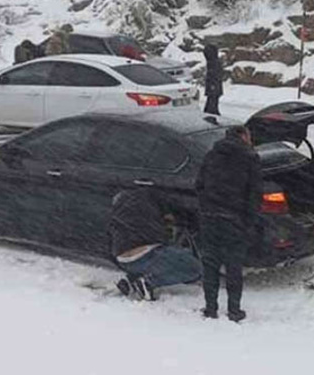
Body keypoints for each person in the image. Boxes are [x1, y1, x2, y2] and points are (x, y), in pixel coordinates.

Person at [196, 124, 262, 322]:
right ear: (243, 137)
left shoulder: (211, 155)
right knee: (234, 267)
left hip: (210, 218)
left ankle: (210, 308)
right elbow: (254, 194)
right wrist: (249, 220)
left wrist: (207, 208)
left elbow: (199, 185)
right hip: (234, 220)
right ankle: (234, 310)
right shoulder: (250, 158)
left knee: (210, 264)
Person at [109, 188, 202, 300]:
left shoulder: (120, 210)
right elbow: (172, 225)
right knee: (194, 268)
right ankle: (147, 283)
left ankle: (131, 282)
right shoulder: (157, 201)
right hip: (147, 254)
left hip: (123, 259)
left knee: (152, 260)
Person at [203, 43, 223, 116]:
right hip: (214, 85)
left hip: (213, 85)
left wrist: (212, 85)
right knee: (213, 99)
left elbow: (214, 75)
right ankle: (212, 111)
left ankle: (211, 112)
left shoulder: (213, 62)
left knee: (212, 100)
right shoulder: (214, 61)